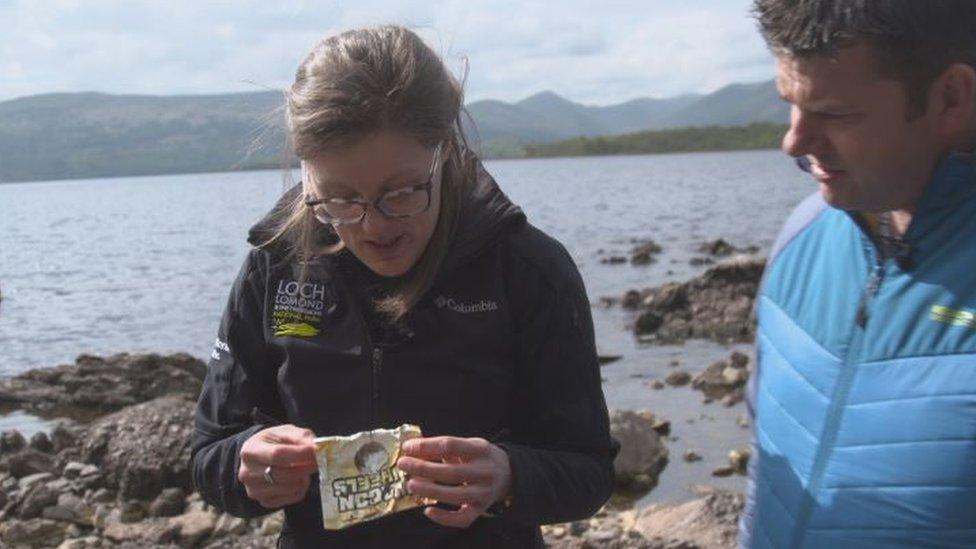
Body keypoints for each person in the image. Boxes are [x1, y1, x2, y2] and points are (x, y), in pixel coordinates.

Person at [190, 25, 615, 548]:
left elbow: (589, 469)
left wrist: (508, 475)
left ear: (446, 151)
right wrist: (246, 462)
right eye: (339, 200)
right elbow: (209, 452)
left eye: (402, 191)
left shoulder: (527, 270)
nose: (374, 226)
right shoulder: (276, 268)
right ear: (306, 175)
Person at [741, 1, 976, 547]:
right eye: (790, 105)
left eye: (836, 114)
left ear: (950, 99)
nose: (793, 142)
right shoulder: (803, 234)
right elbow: (766, 472)